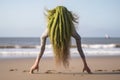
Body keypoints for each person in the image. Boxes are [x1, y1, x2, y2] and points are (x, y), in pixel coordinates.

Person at [29, 6, 92, 74]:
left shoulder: (51, 27)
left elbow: (42, 40)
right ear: (67, 15)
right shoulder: (70, 27)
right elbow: (78, 38)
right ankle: (85, 65)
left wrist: (36, 63)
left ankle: (36, 64)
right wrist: (85, 64)